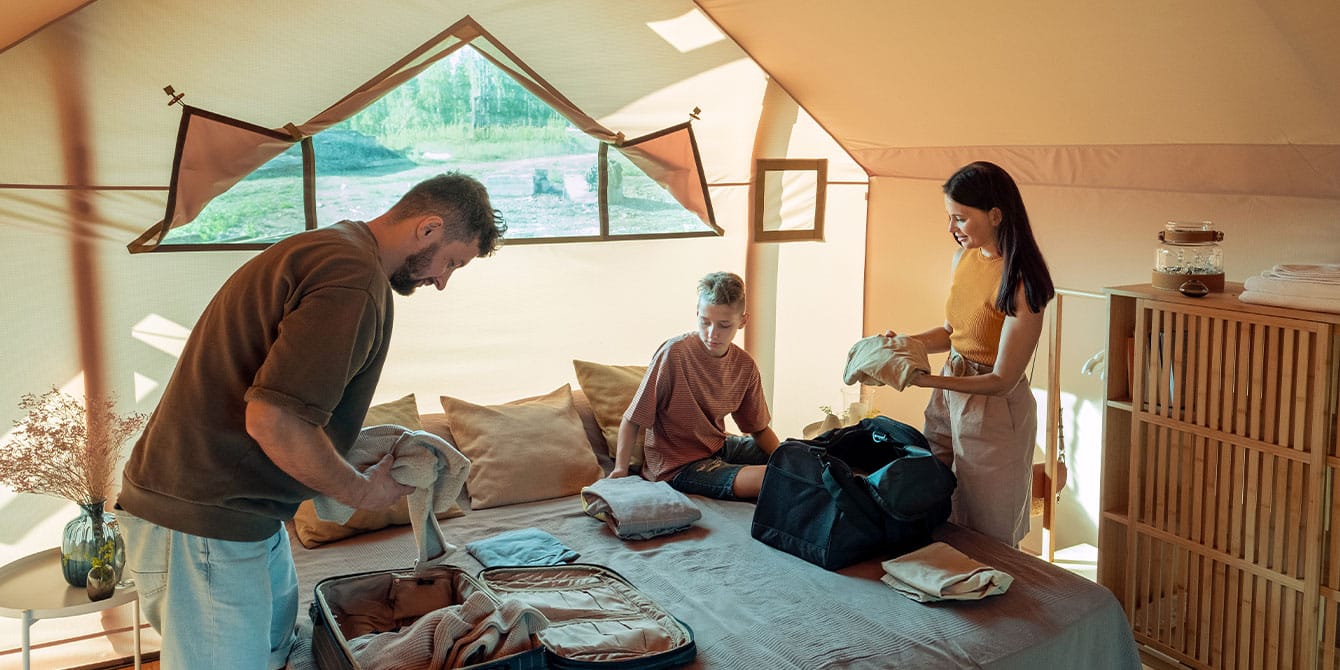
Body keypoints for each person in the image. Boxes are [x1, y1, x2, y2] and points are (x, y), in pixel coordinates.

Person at [114, 172, 505, 670]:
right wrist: (361, 491)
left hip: (240, 512)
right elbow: (275, 421)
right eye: (451, 261)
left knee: (283, 654)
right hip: (207, 518)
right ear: (428, 228)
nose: (442, 281)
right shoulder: (353, 278)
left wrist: (353, 450)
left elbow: (279, 404)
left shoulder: (329, 248)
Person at [883, 161, 1053, 548]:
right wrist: (903, 344)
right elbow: (951, 333)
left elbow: (1001, 380)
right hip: (950, 392)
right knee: (933, 498)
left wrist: (923, 378)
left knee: (989, 529)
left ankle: (995, 600)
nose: (951, 229)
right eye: (949, 217)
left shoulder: (1024, 282)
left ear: (995, 215)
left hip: (994, 409)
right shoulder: (965, 259)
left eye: (960, 218)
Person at [608, 271, 780, 499]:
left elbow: (758, 429)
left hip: (718, 448)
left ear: (742, 321)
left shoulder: (744, 365)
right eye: (705, 322)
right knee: (775, 478)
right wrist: (620, 470)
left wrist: (786, 457)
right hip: (676, 467)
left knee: (801, 457)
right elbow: (633, 420)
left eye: (724, 325)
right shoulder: (674, 354)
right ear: (697, 313)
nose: (712, 334)